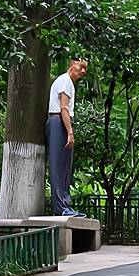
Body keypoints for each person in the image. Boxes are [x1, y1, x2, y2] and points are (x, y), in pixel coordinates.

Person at [45, 56, 88, 216]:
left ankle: (65, 205)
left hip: (61, 122)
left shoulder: (67, 82)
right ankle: (61, 208)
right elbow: (64, 108)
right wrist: (70, 132)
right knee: (58, 166)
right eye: (80, 67)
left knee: (64, 167)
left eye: (85, 69)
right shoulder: (65, 81)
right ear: (72, 65)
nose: (83, 71)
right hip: (59, 122)